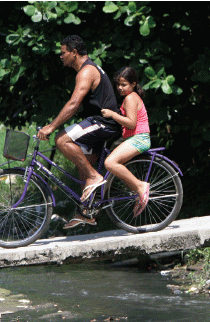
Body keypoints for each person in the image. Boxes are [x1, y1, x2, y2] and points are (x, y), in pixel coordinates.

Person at [36, 35, 121, 229]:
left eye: (63, 52)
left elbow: (73, 104)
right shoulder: (88, 69)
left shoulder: (86, 71)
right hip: (98, 123)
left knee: (61, 140)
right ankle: (86, 212)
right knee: (83, 165)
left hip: (104, 123)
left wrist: (51, 127)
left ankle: (95, 177)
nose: (61, 56)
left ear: (74, 53)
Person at [101, 66, 151, 217]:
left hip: (139, 138)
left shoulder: (130, 98)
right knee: (117, 166)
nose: (120, 88)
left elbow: (131, 123)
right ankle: (139, 193)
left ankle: (141, 186)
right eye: (118, 85)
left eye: (124, 85)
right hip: (135, 138)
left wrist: (112, 115)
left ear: (133, 84)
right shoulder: (130, 98)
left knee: (110, 163)